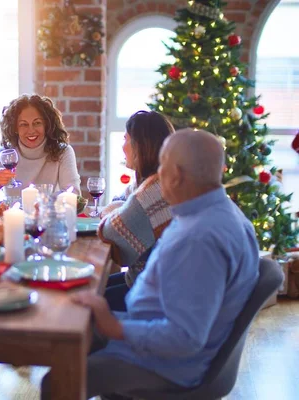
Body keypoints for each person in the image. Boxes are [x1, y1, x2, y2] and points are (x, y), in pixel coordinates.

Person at [41, 129, 259, 399]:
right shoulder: (221, 213)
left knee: (57, 378)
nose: (157, 176)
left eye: (162, 167)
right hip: (153, 335)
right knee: (74, 325)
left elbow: (184, 339)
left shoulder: (199, 239)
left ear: (176, 175)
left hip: (167, 364)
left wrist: (114, 326)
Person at [98, 111, 175, 311]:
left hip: (156, 297)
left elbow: (110, 233)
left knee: (84, 306)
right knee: (93, 288)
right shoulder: (162, 178)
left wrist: (116, 210)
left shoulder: (154, 191)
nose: (122, 146)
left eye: (126, 139)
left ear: (140, 146)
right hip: (153, 282)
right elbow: (120, 200)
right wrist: (120, 207)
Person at [0, 94, 81, 196]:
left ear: (46, 125)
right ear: (15, 128)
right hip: (12, 212)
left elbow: (74, 194)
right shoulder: (5, 153)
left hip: (46, 210)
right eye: (24, 124)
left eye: (37, 123)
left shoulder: (63, 152)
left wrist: (42, 203)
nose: (31, 130)